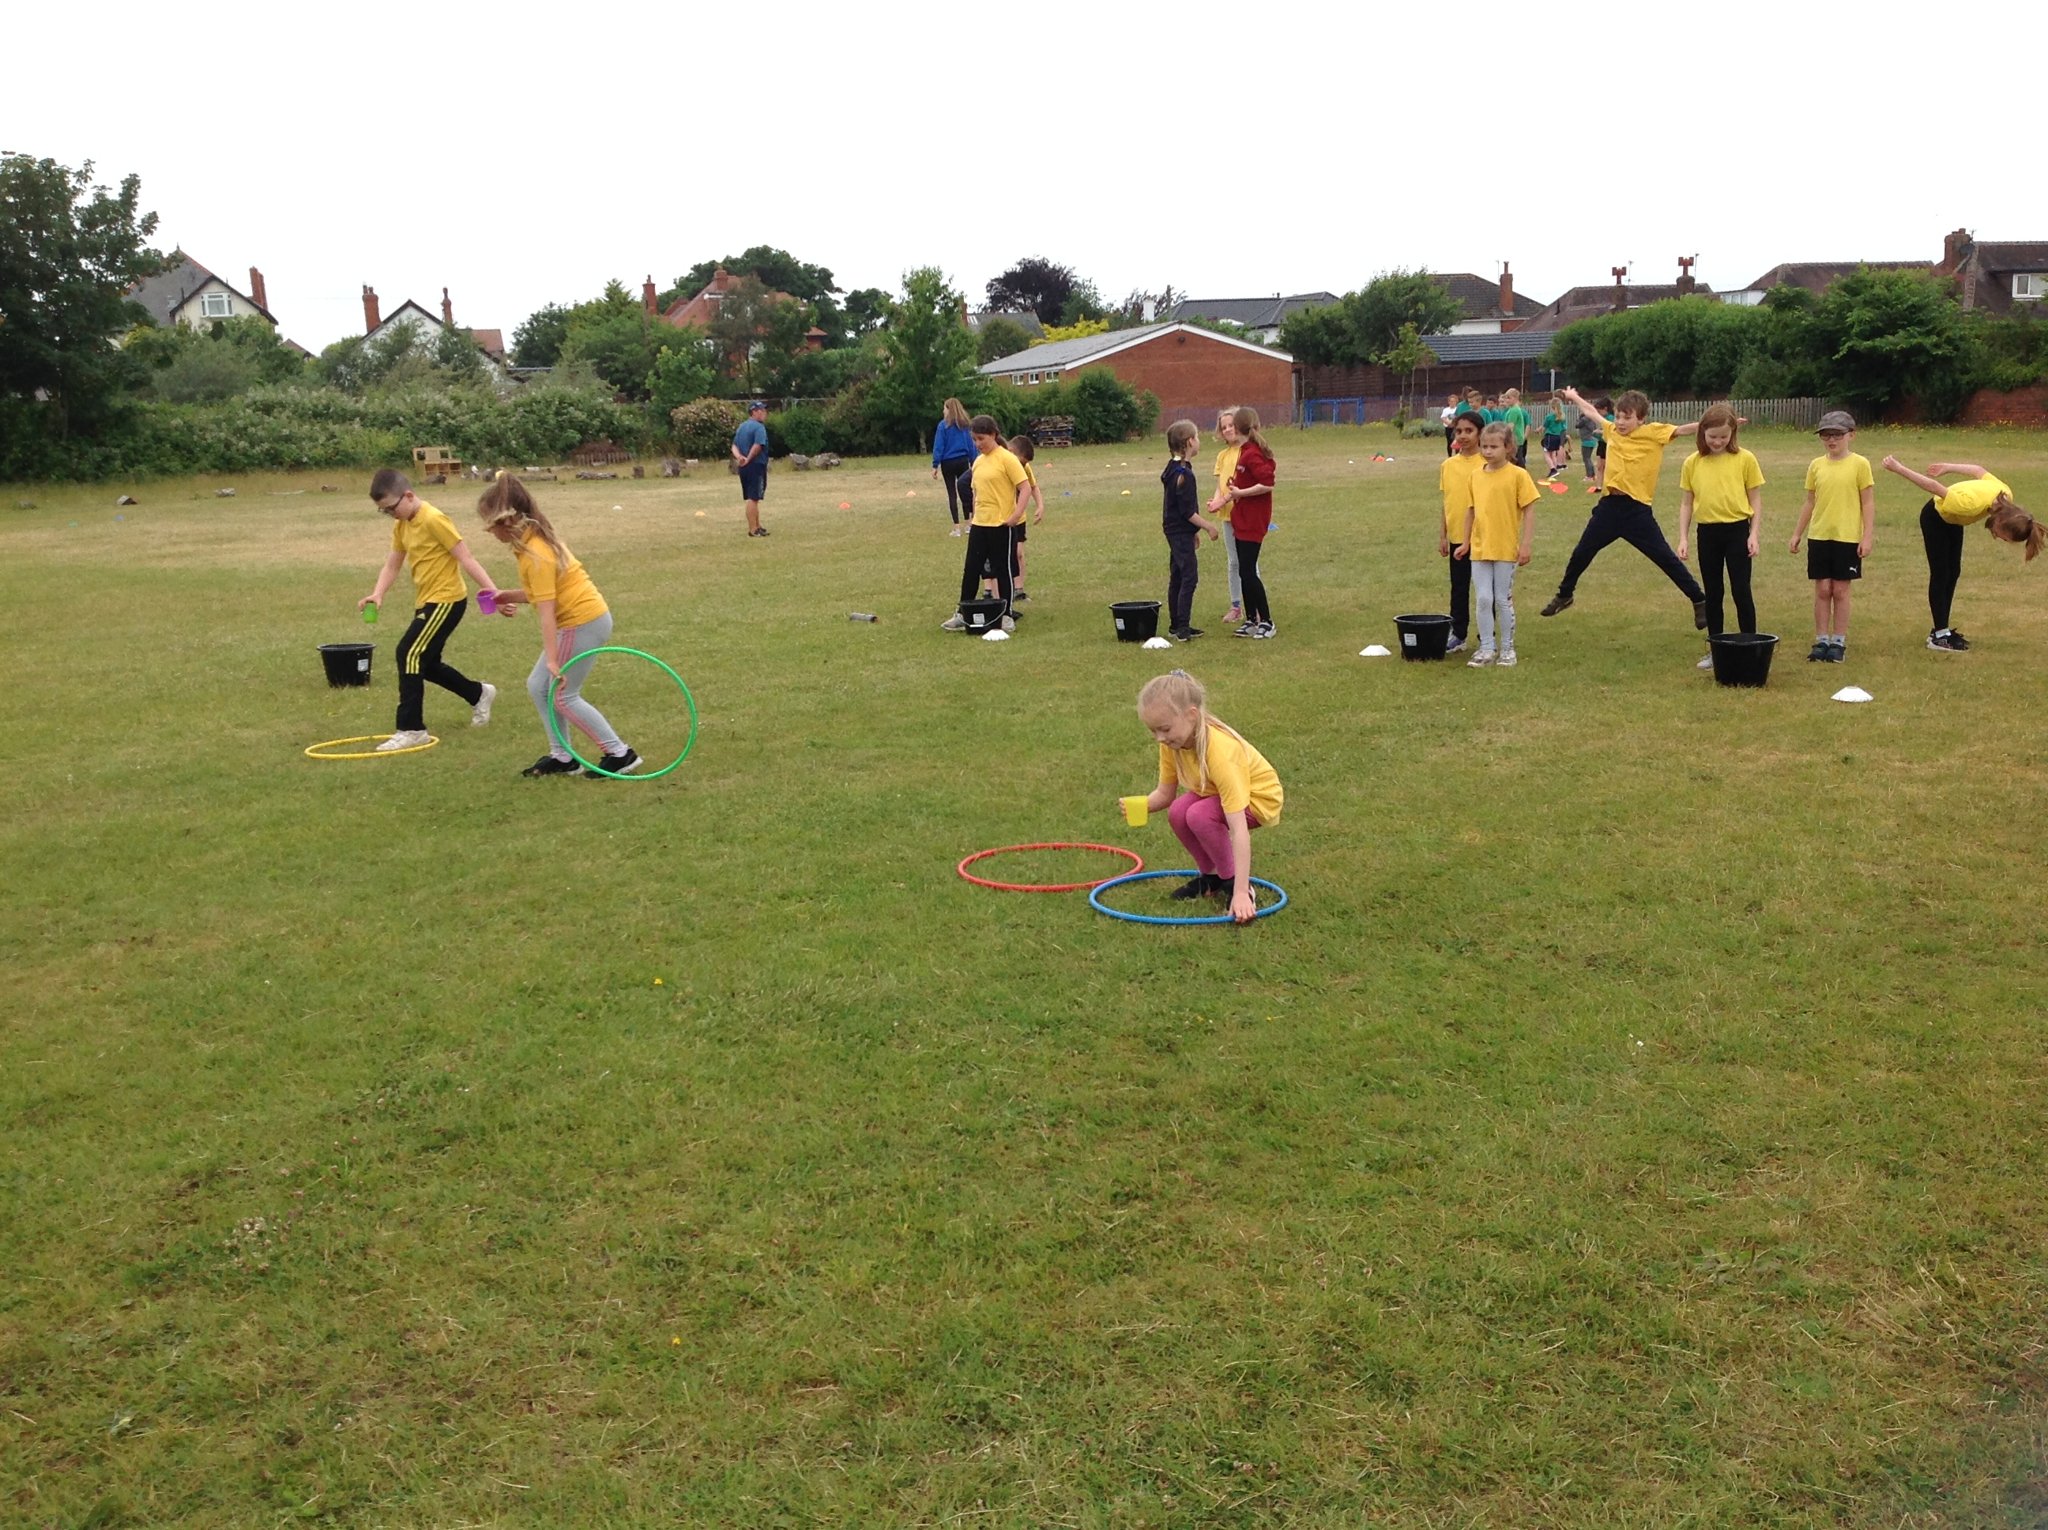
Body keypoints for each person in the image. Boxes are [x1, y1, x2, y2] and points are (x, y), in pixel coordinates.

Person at [475, 475, 640, 778]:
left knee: (563, 694)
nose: (489, 533)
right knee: (538, 686)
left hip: (580, 622)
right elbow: (542, 593)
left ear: (507, 521)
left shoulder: (537, 553)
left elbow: (547, 612)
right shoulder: (529, 545)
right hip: (582, 620)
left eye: (490, 525)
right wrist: (505, 596)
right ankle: (563, 757)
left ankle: (620, 754)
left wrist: (553, 660)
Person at [1540, 386, 1710, 628]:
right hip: (1609, 507)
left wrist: (1722, 422)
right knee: (1581, 553)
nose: (1620, 422)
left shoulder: (1654, 432)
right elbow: (1590, 411)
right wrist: (1574, 396)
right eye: (1618, 416)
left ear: (1640, 419)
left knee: (1665, 558)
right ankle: (1565, 595)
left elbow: (1684, 429)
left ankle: (1699, 600)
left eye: (1627, 417)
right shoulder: (1611, 431)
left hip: (1637, 512)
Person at [1125, 669, 1283, 924]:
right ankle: (1212, 877)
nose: (1159, 738)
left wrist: (1242, 890)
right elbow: (1165, 795)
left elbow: (1238, 830)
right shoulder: (1172, 744)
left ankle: (1234, 885)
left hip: (1259, 799)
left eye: (1164, 729)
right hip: (1216, 795)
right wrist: (1141, 805)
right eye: (1153, 731)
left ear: (1191, 715)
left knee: (1198, 815)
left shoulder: (1220, 751)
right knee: (1178, 811)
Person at [358, 468, 498, 752]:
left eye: (391, 508)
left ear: (408, 496)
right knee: (426, 664)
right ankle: (478, 693)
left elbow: (466, 557)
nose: (390, 515)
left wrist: (494, 592)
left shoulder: (434, 519)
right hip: (427, 601)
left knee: (408, 652)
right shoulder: (402, 525)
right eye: (383, 511)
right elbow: (393, 563)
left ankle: (411, 728)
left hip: (447, 600)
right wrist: (378, 593)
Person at [1879, 454, 2043, 650]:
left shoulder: (2004, 494)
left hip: (1954, 520)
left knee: (1953, 571)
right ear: (2002, 522)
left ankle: (1943, 630)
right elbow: (1933, 487)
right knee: (1941, 574)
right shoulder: (1969, 504)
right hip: (1935, 519)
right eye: (2003, 537)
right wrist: (1899, 468)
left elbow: (1978, 470)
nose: (1999, 538)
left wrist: (1947, 467)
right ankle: (1939, 636)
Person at [1675, 402, 1765, 668]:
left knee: (1741, 590)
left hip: (1737, 530)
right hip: (1708, 533)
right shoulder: (1692, 463)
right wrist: (1683, 537)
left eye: (1724, 437)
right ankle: (1716, 648)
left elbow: (1756, 500)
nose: (1718, 441)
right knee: (1713, 593)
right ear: (1702, 433)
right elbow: (1686, 503)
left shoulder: (1745, 459)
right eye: (1712, 436)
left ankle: (1751, 644)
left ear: (1733, 434)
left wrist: (1754, 534)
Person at [1786, 411, 1875, 663]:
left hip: (1847, 537)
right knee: (1823, 588)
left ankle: (1839, 641)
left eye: (1837, 435)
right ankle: (1821, 639)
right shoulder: (1816, 465)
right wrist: (1797, 533)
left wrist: (1866, 537)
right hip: (1819, 535)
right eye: (1826, 435)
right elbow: (1810, 501)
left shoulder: (1860, 464)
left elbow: (1867, 503)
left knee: (1841, 590)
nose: (1831, 440)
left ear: (1851, 435)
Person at [1453, 422, 1538, 667]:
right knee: (1482, 599)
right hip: (1480, 549)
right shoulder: (1476, 476)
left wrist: (1526, 544)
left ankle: (1507, 648)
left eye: (1494, 446)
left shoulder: (1518, 475)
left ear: (1508, 447)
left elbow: (1529, 509)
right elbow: (1471, 511)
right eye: (1484, 446)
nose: (1488, 451)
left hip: (1505, 549)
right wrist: (1465, 542)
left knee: (1502, 599)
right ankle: (1486, 647)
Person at [939, 415, 1029, 632]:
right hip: (980, 525)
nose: (978, 444)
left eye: (981, 439)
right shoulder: (978, 462)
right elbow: (976, 493)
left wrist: (1016, 515)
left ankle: (1006, 615)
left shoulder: (1007, 459)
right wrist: (973, 517)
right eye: (974, 440)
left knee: (1003, 569)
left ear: (993, 435)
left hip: (1002, 525)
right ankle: (963, 613)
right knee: (971, 569)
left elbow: (1025, 488)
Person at [1161, 420, 1222, 641]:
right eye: (1197, 437)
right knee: (1189, 577)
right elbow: (1187, 512)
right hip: (1178, 531)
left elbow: (1179, 507)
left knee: (1177, 574)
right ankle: (1182, 628)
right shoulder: (1184, 476)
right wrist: (1208, 527)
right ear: (1189, 442)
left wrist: (1192, 531)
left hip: (1175, 530)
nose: (1199, 442)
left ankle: (1175, 625)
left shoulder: (1173, 467)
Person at [1223, 406, 1276, 638]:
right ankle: (1250, 620)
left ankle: (1266, 621)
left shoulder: (1252, 453)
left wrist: (1240, 493)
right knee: (1245, 571)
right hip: (1242, 520)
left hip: (1253, 521)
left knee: (1248, 571)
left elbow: (1268, 483)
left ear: (1239, 427)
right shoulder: (1245, 452)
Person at [1436, 409, 1486, 653]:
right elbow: (1447, 502)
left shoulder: (1489, 463)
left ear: (1480, 433)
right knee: (1459, 587)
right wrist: (1443, 535)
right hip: (1457, 537)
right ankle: (1458, 633)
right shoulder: (1448, 465)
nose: (1464, 436)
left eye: (1469, 431)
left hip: (1484, 538)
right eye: (1459, 431)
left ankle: (1487, 635)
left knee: (1486, 592)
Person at [1210, 407, 1245, 626]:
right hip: (1227, 515)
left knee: (1248, 562)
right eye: (1224, 427)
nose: (1228, 430)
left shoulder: (1247, 452)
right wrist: (1215, 502)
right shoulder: (1222, 456)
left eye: (1231, 425)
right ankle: (1236, 606)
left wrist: (1223, 500)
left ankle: (1254, 606)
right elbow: (1220, 485)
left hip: (1244, 514)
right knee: (1233, 561)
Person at [1004, 435, 1046, 601]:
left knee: (1018, 553)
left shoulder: (1024, 468)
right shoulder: (1001, 463)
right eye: (1021, 462)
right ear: (1011, 452)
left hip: (1019, 517)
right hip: (1001, 516)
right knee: (998, 555)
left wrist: (1040, 506)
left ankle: (1019, 589)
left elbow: (1033, 487)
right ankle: (991, 591)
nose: (1023, 466)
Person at [931, 397, 977, 536]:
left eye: (944, 408)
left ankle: (956, 527)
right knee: (966, 491)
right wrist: (973, 461)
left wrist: (935, 465)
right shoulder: (965, 425)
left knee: (952, 493)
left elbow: (939, 446)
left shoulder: (942, 426)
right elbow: (971, 445)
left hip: (948, 462)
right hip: (962, 460)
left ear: (949, 409)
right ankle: (968, 523)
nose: (943, 411)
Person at [731, 400, 769, 537]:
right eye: (762, 411)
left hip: (744, 467)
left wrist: (739, 457)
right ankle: (753, 529)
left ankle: (758, 526)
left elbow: (734, 446)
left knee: (755, 497)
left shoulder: (742, 426)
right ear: (754, 412)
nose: (765, 413)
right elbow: (758, 445)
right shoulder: (759, 427)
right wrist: (748, 458)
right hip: (755, 465)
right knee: (753, 498)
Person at [1576, 395, 1609, 486]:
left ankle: (1590, 476)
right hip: (1596, 442)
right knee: (1597, 464)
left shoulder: (1585, 419)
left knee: (1587, 459)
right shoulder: (1593, 419)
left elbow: (1577, 425)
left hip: (1588, 441)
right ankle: (1596, 482)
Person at [1539, 395, 1570, 479]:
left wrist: (1539, 430)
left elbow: (1544, 427)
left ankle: (1553, 469)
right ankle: (1555, 469)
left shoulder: (1549, 417)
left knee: (1546, 454)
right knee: (1553, 454)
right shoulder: (1562, 417)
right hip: (1558, 437)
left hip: (1550, 437)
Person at [1502, 387, 1531, 469]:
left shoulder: (1514, 410)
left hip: (1515, 439)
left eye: (1509, 398)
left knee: (1516, 459)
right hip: (1517, 439)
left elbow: (1510, 426)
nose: (1506, 400)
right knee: (1517, 458)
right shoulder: (1512, 409)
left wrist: (1504, 437)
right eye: (1506, 398)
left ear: (1515, 398)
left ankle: (1522, 474)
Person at [1440, 392, 1461, 456]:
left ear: (1456, 402)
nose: (1452, 403)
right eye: (1451, 401)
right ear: (1448, 402)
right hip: (1448, 428)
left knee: (1457, 442)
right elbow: (1443, 418)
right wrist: (1448, 423)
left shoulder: (1458, 409)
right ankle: (1450, 456)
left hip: (1456, 428)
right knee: (1449, 442)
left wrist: (1454, 424)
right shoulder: (1446, 410)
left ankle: (1457, 456)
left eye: (1454, 401)